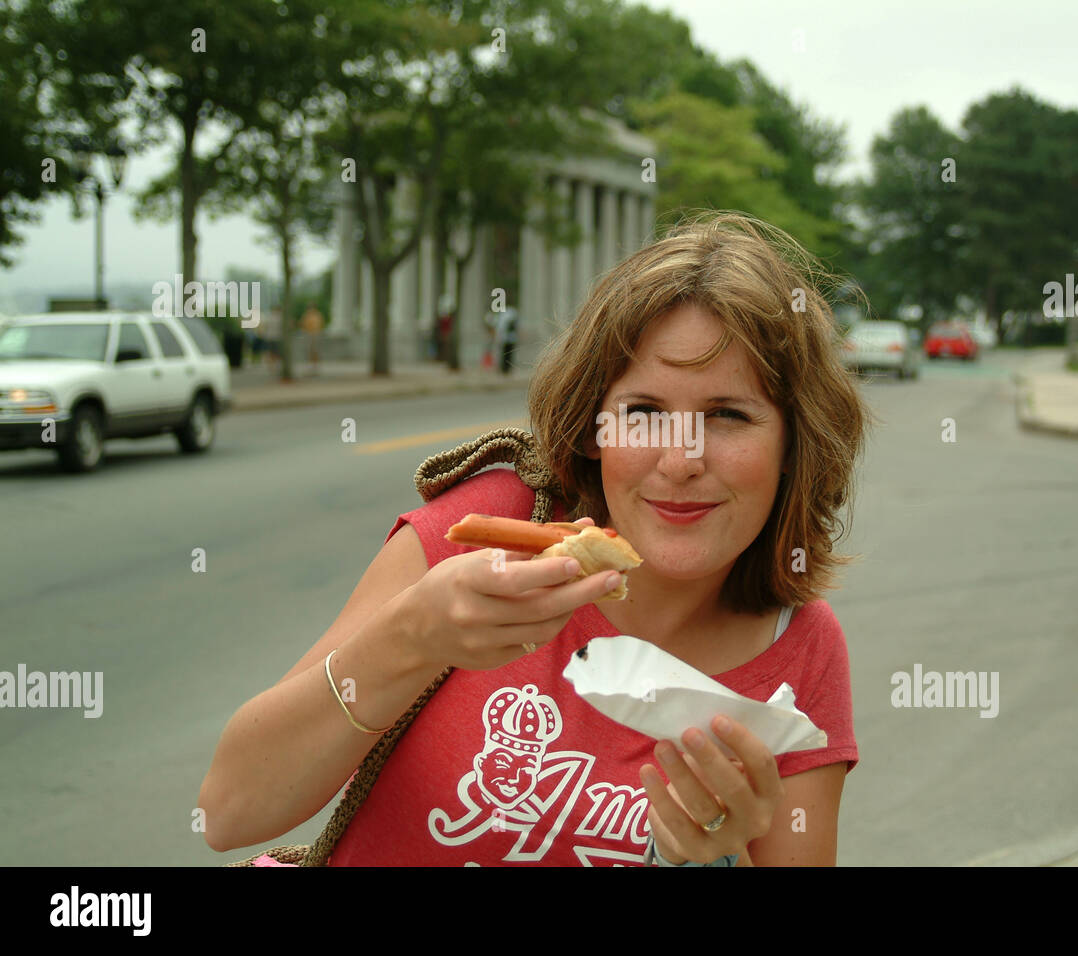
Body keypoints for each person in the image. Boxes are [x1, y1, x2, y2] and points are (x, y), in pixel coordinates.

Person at [198, 211, 872, 866]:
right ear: (591, 428)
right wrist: (412, 636)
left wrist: (713, 861)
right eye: (643, 413)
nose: (681, 459)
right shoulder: (492, 532)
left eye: (727, 415)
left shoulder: (801, 650)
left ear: (792, 442)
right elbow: (230, 812)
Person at [300, 302, 324, 375]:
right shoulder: (307, 315)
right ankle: (311, 366)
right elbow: (303, 324)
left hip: (315, 334)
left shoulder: (316, 315)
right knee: (310, 351)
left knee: (315, 351)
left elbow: (319, 325)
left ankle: (314, 367)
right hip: (309, 334)